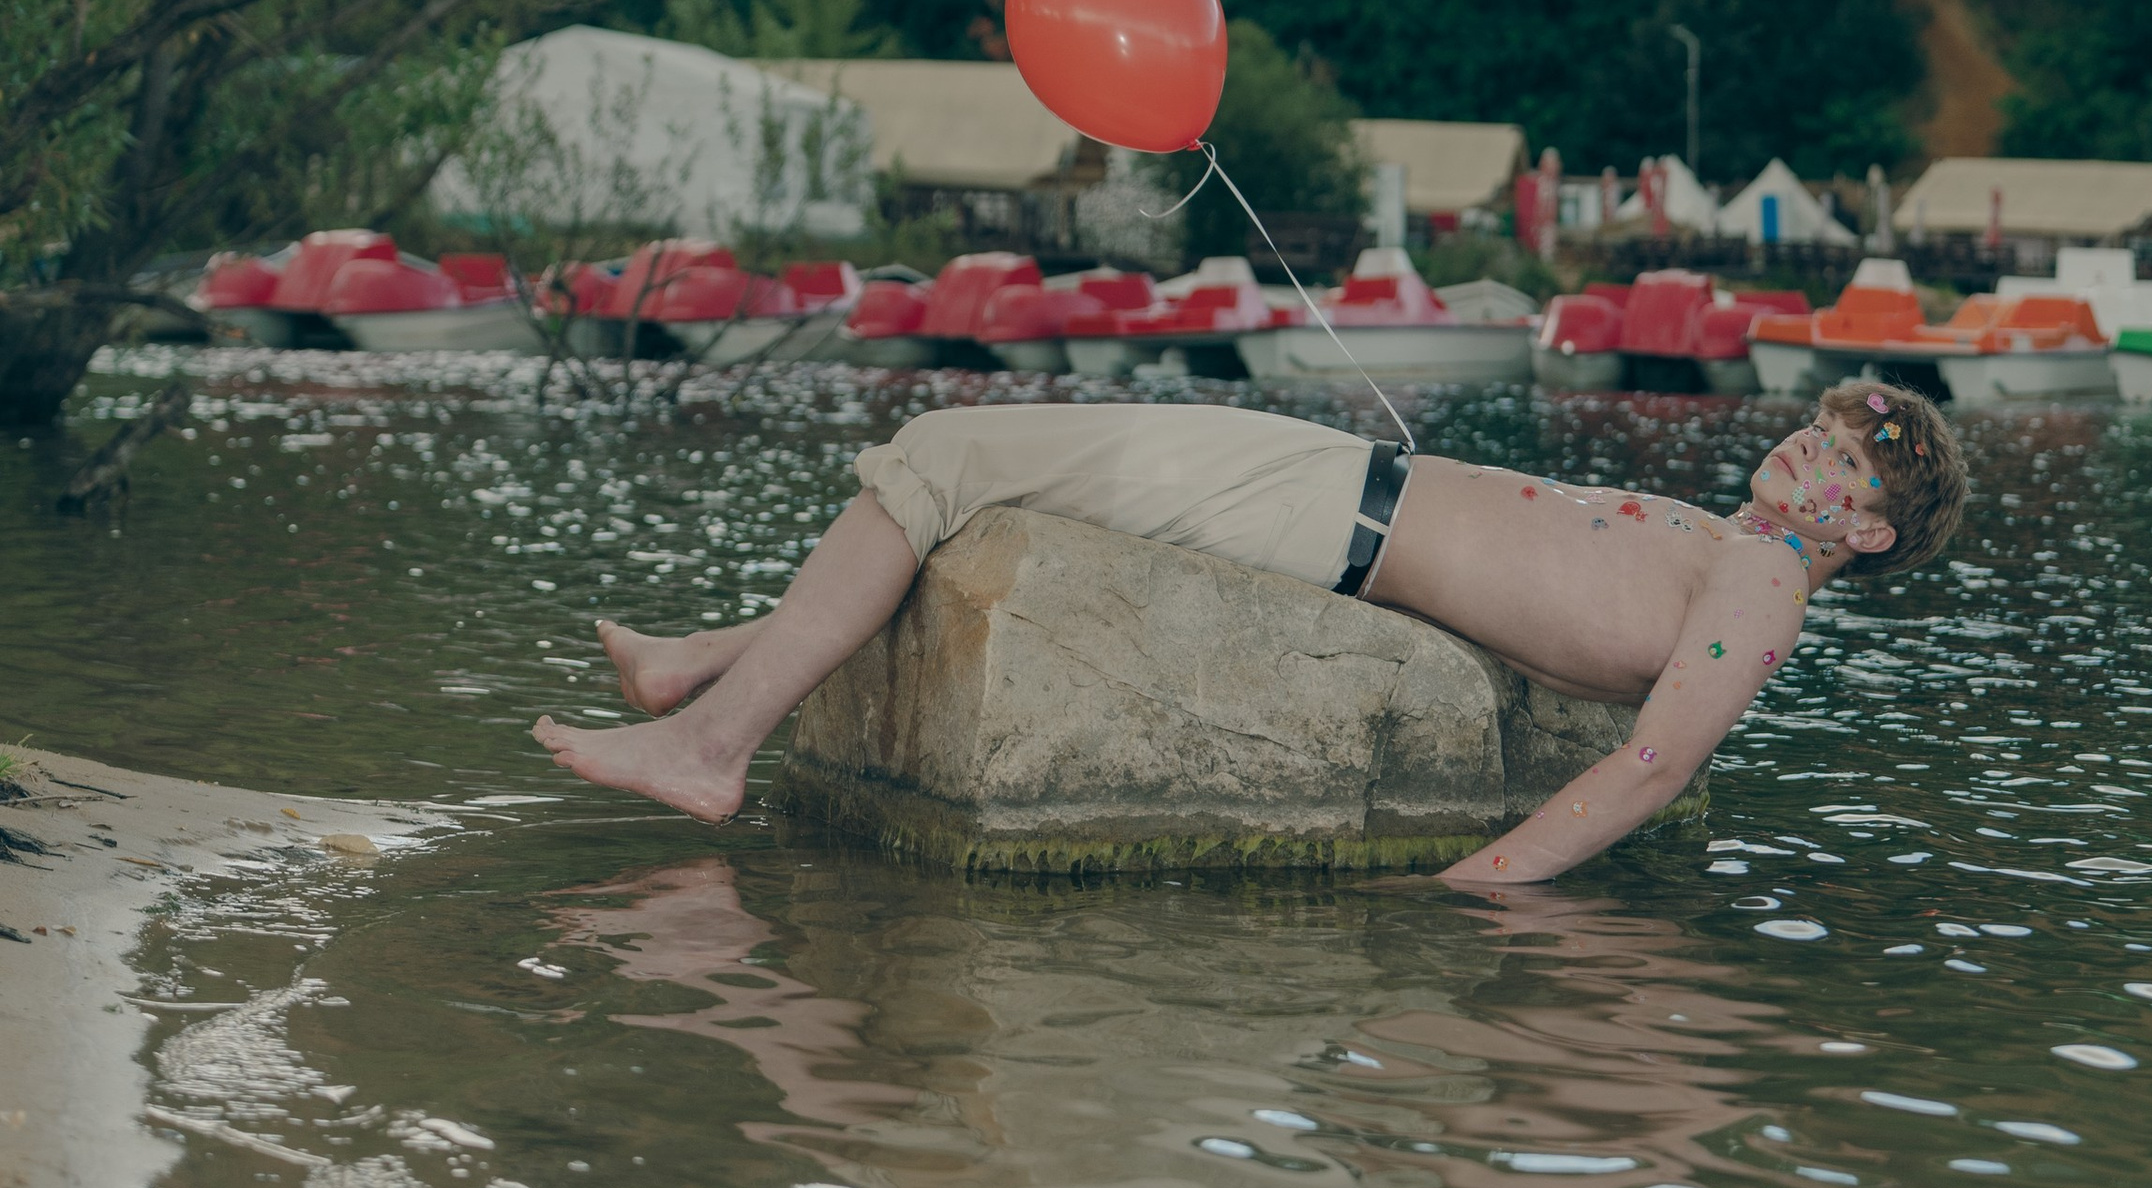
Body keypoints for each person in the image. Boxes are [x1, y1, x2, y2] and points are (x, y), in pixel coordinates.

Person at [533, 380, 1967, 886]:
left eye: (1847, 461)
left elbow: (1658, 760)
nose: (1808, 448)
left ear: (1875, 535)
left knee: (950, 450)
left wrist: (1489, 883)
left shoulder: (1768, 582)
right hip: (1334, 498)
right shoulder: (1743, 550)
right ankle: (708, 666)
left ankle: (712, 743)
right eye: (1822, 423)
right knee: (973, 479)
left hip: (1328, 521)